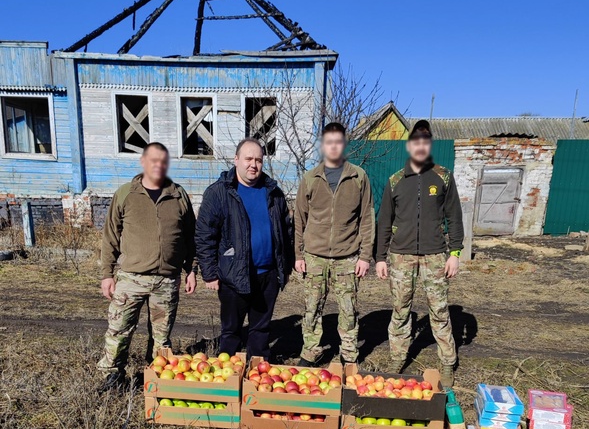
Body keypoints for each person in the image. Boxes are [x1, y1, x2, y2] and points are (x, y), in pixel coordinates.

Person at [98, 142, 197, 392]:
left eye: (163, 161)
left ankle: (156, 375)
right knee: (119, 329)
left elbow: (190, 237)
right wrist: (107, 275)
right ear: (143, 162)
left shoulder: (178, 195)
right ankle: (113, 376)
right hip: (131, 278)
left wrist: (191, 269)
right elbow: (110, 237)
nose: (158, 165)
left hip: (166, 280)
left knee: (162, 337)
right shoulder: (125, 194)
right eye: (153, 160)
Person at [375, 120, 464, 387]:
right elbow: (383, 222)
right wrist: (380, 258)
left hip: (435, 256)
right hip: (400, 256)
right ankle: (397, 358)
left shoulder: (443, 176)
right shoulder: (395, 181)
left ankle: (447, 362)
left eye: (426, 141)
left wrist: (455, 253)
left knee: (438, 310)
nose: (421, 146)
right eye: (416, 141)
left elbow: (454, 217)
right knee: (401, 309)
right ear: (410, 145)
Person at [195, 138, 293, 360]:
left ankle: (257, 378)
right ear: (236, 159)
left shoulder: (273, 192)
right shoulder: (219, 192)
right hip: (233, 275)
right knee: (231, 332)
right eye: (248, 159)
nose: (253, 165)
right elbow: (204, 235)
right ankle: (227, 379)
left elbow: (286, 231)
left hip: (267, 275)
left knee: (261, 330)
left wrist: (284, 266)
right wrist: (209, 273)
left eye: (258, 160)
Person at [294, 122, 374, 366]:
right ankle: (311, 352)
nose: (333, 147)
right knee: (312, 309)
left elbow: (367, 218)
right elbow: (299, 218)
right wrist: (298, 255)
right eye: (329, 142)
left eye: (338, 142)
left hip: (347, 257)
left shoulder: (358, 177)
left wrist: (365, 256)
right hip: (314, 257)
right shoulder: (310, 179)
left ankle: (349, 356)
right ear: (322, 145)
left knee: (348, 310)